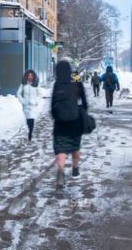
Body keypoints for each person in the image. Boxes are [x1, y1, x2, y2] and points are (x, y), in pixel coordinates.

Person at [51, 60, 88, 189]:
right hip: (75, 121)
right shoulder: (76, 82)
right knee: (75, 147)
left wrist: (56, 116)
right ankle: (75, 168)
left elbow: (52, 105)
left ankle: (61, 173)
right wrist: (82, 112)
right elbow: (84, 101)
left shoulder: (57, 84)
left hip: (60, 123)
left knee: (61, 150)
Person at [16, 69, 40, 142]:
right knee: (28, 120)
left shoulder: (36, 84)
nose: (30, 77)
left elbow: (40, 94)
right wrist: (23, 101)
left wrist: (36, 101)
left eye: (31, 76)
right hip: (25, 105)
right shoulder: (23, 84)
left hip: (33, 106)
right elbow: (18, 94)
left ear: (33, 76)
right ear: (26, 76)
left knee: (32, 118)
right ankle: (30, 129)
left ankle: (30, 133)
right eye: (29, 75)